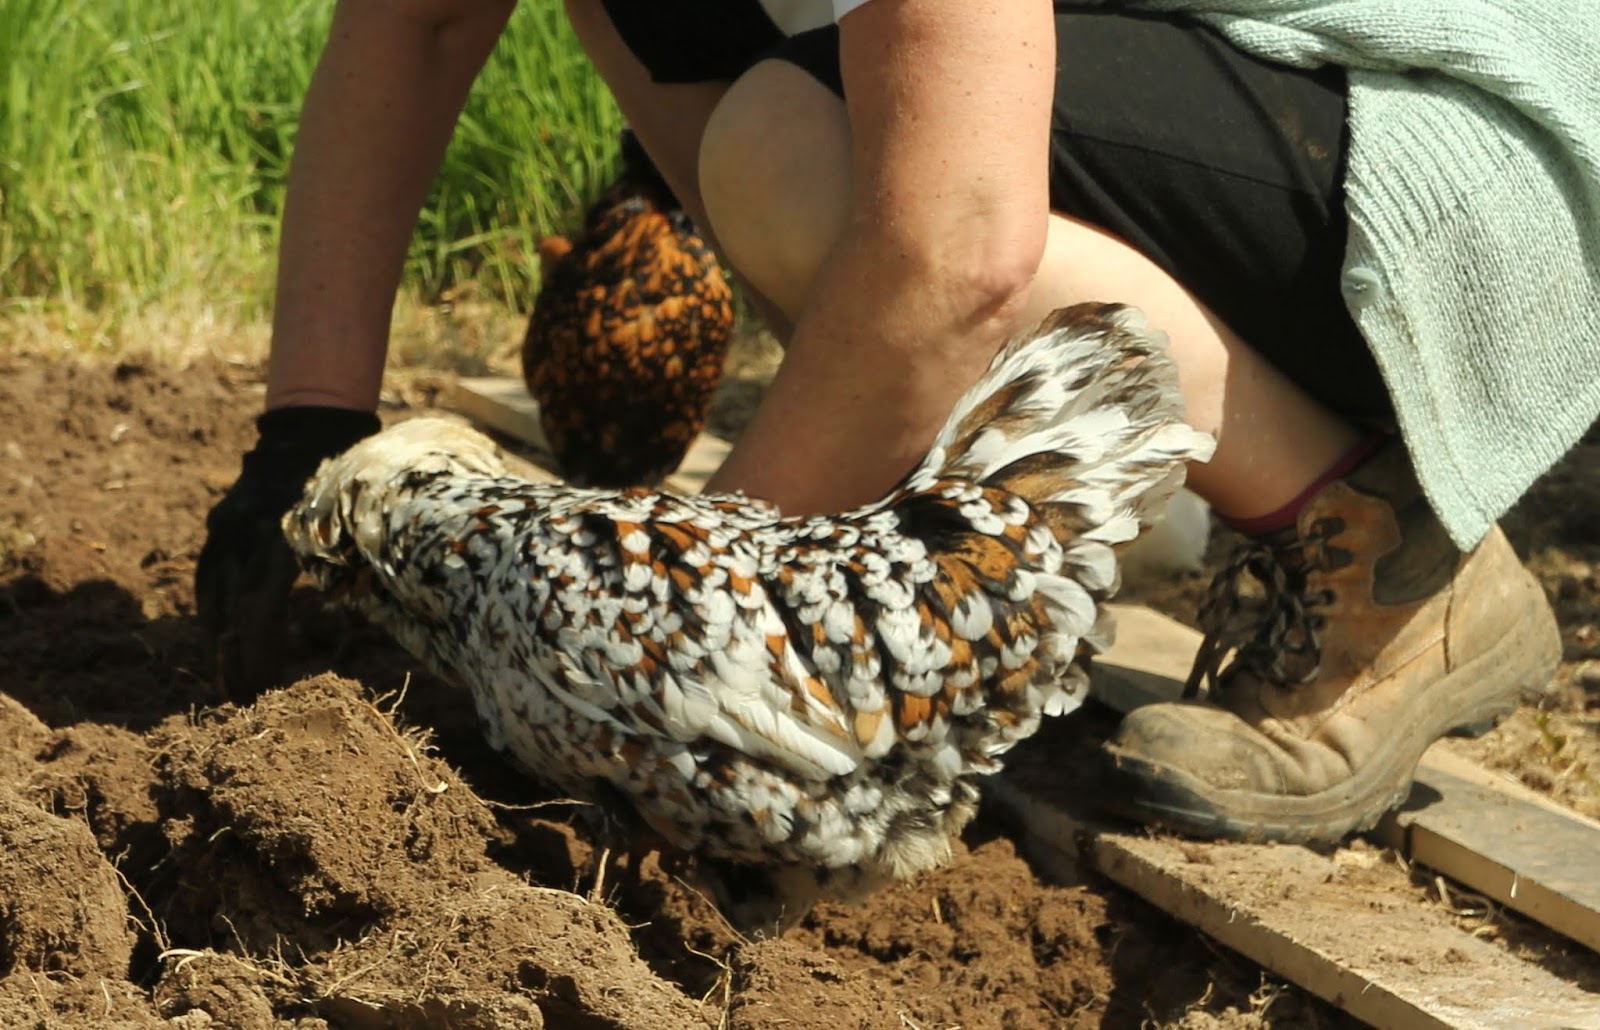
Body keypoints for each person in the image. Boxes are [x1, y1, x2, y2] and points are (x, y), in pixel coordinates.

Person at [197, 0, 1600, 844]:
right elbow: (424, 17)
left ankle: (1373, 544)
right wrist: (308, 429)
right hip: (1194, 108)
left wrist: (653, 633)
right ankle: (912, 484)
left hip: (1443, 146)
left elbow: (956, 247)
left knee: (791, 154)